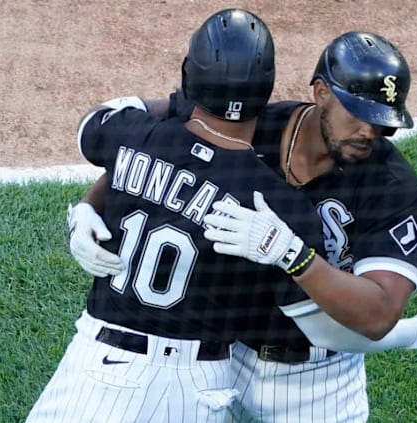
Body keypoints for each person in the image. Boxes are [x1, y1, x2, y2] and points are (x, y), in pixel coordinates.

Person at [69, 32, 417, 422]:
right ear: (321, 93)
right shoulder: (251, 123)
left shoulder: (392, 185)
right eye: (360, 115)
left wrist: (294, 256)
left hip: (319, 385)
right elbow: (156, 140)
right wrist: (89, 206)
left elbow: (377, 314)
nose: (371, 132)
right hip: (223, 360)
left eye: (384, 122)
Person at [25, 9, 330, 423]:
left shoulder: (134, 135)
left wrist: (83, 210)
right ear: (267, 88)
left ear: (190, 77)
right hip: (198, 385)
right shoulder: (280, 206)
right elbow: (312, 318)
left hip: (97, 364)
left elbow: (95, 121)